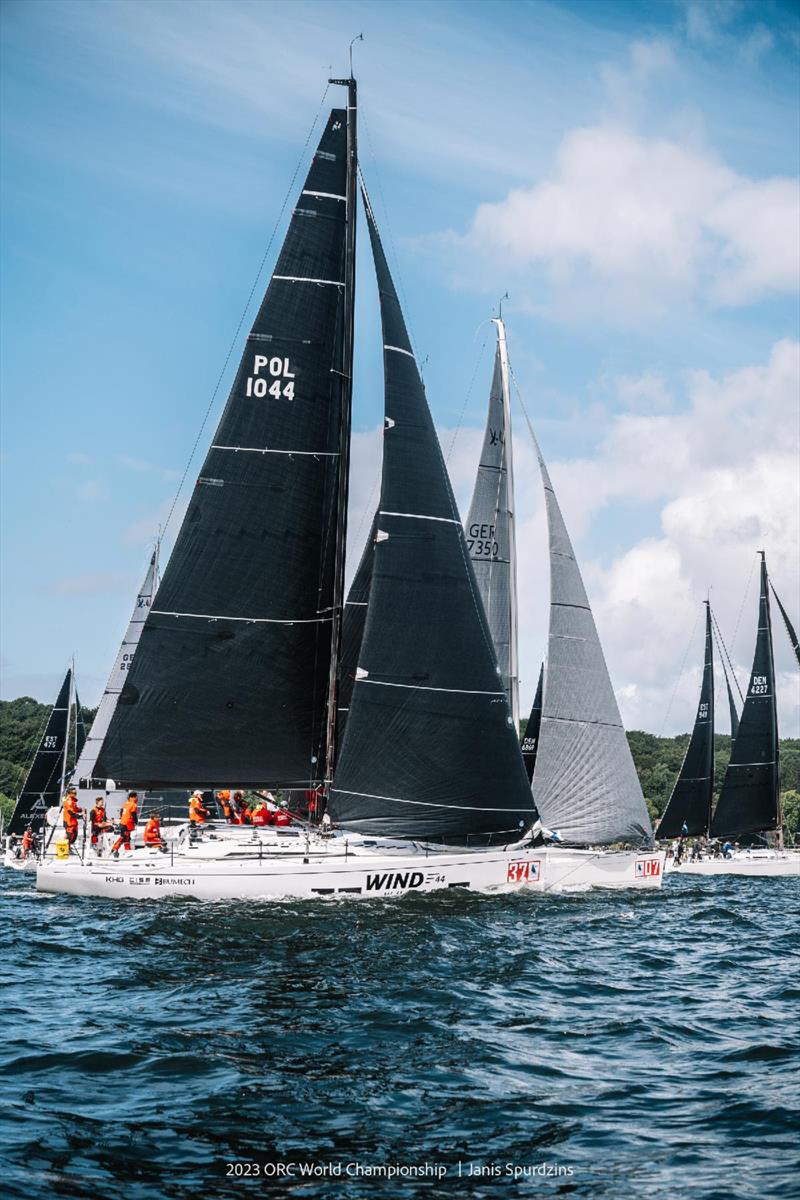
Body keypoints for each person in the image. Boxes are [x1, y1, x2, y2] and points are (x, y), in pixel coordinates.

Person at [111, 791, 139, 856]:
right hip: (127, 823)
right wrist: (136, 822)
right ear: (133, 797)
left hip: (123, 823)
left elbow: (121, 812)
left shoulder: (126, 803)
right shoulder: (133, 805)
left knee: (127, 837)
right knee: (124, 837)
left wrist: (122, 818)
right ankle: (115, 849)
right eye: (136, 797)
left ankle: (127, 850)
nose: (137, 798)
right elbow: (134, 814)